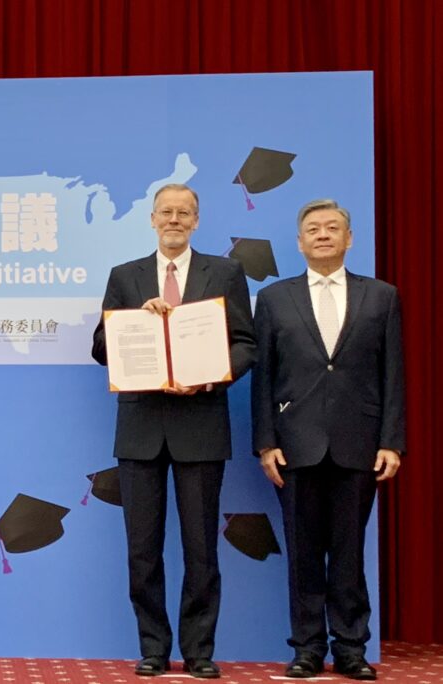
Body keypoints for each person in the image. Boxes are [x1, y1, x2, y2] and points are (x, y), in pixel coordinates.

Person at [92, 184, 256, 679]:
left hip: (201, 425)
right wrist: (133, 325)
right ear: (152, 219)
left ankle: (200, 651)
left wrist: (210, 375)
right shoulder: (125, 276)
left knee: (202, 548)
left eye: (185, 213)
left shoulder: (225, 272)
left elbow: (246, 344)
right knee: (142, 549)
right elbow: (101, 347)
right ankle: (153, 649)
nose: (175, 220)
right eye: (167, 212)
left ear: (197, 221)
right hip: (141, 429)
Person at [252, 199, 404, 681]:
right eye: (313, 229)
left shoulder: (381, 296)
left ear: (349, 238)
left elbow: (394, 374)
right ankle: (308, 648)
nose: (323, 234)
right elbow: (264, 379)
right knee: (301, 553)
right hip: (294, 445)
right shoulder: (275, 299)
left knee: (349, 550)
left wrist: (392, 441)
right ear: (299, 242)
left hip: (360, 443)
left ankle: (352, 647)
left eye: (332, 227)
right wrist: (265, 442)